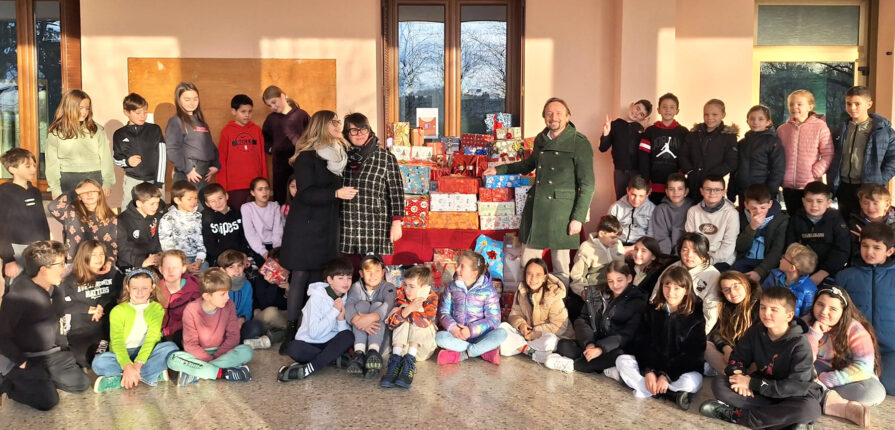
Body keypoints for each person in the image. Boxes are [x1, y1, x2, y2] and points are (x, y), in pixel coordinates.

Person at [483, 97, 595, 285]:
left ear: (568, 116)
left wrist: (578, 217)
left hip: (563, 212)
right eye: (549, 113)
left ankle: (559, 303)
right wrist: (499, 169)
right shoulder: (541, 139)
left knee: (560, 267)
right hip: (538, 209)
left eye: (559, 113)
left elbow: (588, 184)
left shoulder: (579, 142)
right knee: (528, 264)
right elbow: (528, 164)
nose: (554, 117)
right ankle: (527, 300)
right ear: (544, 117)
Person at [279, 110, 355, 352]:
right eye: (334, 122)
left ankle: (313, 330)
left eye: (339, 122)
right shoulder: (307, 157)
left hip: (326, 225)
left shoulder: (339, 154)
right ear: (322, 126)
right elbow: (305, 193)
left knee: (317, 281)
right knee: (300, 276)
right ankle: (291, 333)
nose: (338, 126)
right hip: (305, 226)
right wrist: (336, 193)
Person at [699, 287, 822, 429]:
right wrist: (739, 377)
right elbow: (737, 358)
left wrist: (753, 383)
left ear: (788, 316)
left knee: (809, 409)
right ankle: (783, 421)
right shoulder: (756, 331)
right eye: (763, 307)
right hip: (763, 391)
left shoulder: (800, 344)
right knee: (719, 384)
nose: (766, 313)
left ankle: (739, 416)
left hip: (792, 395)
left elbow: (795, 386)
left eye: (774, 310)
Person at [0, 241, 91, 410]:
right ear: (43, 270)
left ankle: (41, 378)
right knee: (48, 400)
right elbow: (2, 335)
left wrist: (87, 310)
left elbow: (61, 311)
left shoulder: (56, 289)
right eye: (60, 264)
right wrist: (21, 362)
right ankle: (8, 383)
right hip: (26, 357)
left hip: (52, 355)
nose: (65, 268)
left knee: (81, 383)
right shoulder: (17, 297)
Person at [613, 265, 705, 410]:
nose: (671, 292)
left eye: (677, 288)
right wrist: (649, 371)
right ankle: (669, 394)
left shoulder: (696, 316)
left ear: (686, 290)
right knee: (622, 361)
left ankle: (646, 389)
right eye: (667, 286)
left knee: (693, 381)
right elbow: (641, 343)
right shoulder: (652, 310)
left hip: (677, 371)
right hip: (653, 365)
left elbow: (693, 354)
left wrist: (666, 375)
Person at [805, 286, 885, 427]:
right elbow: (803, 362)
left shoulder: (854, 329)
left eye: (833, 309)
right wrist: (813, 334)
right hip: (815, 372)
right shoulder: (803, 322)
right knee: (794, 375)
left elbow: (864, 367)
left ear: (843, 312)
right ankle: (833, 403)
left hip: (844, 377)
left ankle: (816, 395)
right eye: (820, 304)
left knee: (874, 392)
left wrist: (827, 379)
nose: (824, 312)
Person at [91, 269, 179, 393]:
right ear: (127, 288)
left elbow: (152, 338)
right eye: (134, 288)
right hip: (122, 353)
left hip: (147, 352)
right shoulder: (118, 311)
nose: (139, 292)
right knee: (99, 362)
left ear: (152, 288)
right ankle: (150, 374)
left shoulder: (156, 308)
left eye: (144, 288)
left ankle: (119, 379)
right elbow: (117, 342)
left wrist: (137, 364)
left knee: (171, 348)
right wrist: (127, 366)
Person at [165, 268, 254, 386]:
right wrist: (207, 359)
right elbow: (190, 344)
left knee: (247, 351)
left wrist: (215, 358)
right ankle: (222, 373)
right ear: (207, 296)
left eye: (228, 293)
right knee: (172, 359)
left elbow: (233, 336)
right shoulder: (191, 310)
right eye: (223, 294)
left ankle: (198, 372)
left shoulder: (229, 305)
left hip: (223, 351)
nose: (228, 297)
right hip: (197, 355)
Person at [835, 221, 895, 394]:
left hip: (890, 349)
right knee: (860, 388)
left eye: (877, 248)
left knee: (889, 387)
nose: (869, 252)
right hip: (854, 348)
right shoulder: (845, 276)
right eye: (865, 246)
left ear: (890, 251)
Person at [557, 260, 646, 375]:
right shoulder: (596, 293)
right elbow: (582, 319)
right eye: (610, 281)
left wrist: (600, 349)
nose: (615, 285)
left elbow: (627, 333)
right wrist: (589, 344)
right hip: (594, 341)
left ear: (629, 278)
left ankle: (576, 365)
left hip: (614, 347)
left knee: (619, 355)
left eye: (619, 280)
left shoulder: (637, 300)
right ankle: (599, 366)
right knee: (563, 344)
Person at [277, 258, 355, 381]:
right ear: (330, 280)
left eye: (349, 278)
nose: (346, 282)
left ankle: (309, 368)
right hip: (311, 342)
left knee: (348, 336)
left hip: (331, 343)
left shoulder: (347, 298)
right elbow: (314, 333)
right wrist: (334, 311)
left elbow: (342, 334)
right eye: (340, 278)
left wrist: (341, 320)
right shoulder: (316, 298)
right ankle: (332, 359)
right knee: (293, 348)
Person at [339, 112, 405, 259]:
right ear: (346, 133)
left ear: (369, 130)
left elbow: (396, 192)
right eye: (354, 130)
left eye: (363, 129)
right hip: (345, 223)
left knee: (372, 268)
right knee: (345, 268)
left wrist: (396, 222)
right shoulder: (339, 156)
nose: (359, 134)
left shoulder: (385, 157)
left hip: (375, 224)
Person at [499, 258, 575, 373]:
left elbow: (559, 326)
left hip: (550, 336)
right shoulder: (522, 291)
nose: (533, 279)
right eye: (529, 274)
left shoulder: (553, 294)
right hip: (527, 336)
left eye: (538, 275)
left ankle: (524, 349)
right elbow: (514, 314)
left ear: (545, 277)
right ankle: (541, 355)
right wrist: (521, 325)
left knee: (550, 341)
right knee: (503, 328)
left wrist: (534, 333)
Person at [831, 85, 895, 220]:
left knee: (865, 224)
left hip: (868, 188)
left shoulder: (883, 131)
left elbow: (893, 158)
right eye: (849, 103)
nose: (852, 108)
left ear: (869, 104)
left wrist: (880, 180)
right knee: (845, 222)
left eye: (857, 104)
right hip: (843, 186)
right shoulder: (840, 129)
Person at [435, 250, 507, 365]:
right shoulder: (452, 287)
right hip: (457, 336)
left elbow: (494, 320)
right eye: (458, 265)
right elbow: (444, 312)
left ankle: (464, 354)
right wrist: (453, 328)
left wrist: (471, 330)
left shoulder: (489, 291)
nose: (457, 269)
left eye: (462, 266)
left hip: (481, 336)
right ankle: (483, 351)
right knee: (440, 337)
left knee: (502, 333)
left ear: (474, 273)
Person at [60, 240, 122, 368]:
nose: (99, 258)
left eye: (101, 254)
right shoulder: (71, 279)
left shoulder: (112, 273)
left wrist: (102, 305)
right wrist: (88, 309)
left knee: (110, 355)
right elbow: (61, 305)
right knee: (85, 359)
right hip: (81, 330)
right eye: (94, 255)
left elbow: (120, 292)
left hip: (108, 326)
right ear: (84, 256)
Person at [45, 89, 115, 199]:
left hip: (94, 178)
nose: (84, 112)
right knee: (71, 210)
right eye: (80, 108)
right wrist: (55, 189)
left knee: (92, 210)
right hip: (68, 180)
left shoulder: (97, 130)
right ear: (69, 107)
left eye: (87, 108)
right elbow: (52, 163)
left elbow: (106, 158)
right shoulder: (56, 133)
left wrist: (107, 182)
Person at [381, 265, 439, 389]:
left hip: (421, 350)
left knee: (413, 315)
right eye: (405, 285)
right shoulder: (402, 295)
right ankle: (395, 362)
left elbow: (425, 321)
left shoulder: (432, 297)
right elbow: (391, 324)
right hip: (402, 348)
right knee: (404, 316)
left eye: (412, 286)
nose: (407, 289)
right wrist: (406, 310)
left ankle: (409, 364)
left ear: (424, 287)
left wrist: (404, 310)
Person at [777, 89, 834, 216]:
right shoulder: (782, 129)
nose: (794, 107)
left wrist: (816, 171)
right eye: (791, 104)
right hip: (788, 186)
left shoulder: (820, 126)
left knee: (810, 219)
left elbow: (828, 153)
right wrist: (781, 175)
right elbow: (777, 156)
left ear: (810, 106)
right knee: (793, 218)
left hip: (810, 185)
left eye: (799, 104)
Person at [0, 148, 50, 289]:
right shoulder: (5, 192)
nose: (33, 169)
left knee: (39, 290)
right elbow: (2, 228)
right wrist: (9, 259)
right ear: (12, 169)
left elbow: (42, 222)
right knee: (17, 291)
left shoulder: (35, 191)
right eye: (28, 166)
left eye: (34, 165)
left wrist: (47, 246)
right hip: (17, 252)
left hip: (39, 250)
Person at [652, 233, 721, 334]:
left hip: (692, 327)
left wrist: (698, 335)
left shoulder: (713, 275)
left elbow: (711, 312)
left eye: (695, 251)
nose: (689, 255)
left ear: (705, 253)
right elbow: (655, 296)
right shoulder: (672, 268)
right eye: (685, 250)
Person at [785, 181, 850, 285]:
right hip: (799, 272)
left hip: (829, 273)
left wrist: (823, 273)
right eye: (809, 201)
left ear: (828, 203)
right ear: (803, 201)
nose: (814, 205)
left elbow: (842, 250)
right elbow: (790, 246)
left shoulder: (837, 220)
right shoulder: (796, 219)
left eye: (819, 201)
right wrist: (798, 272)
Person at [344, 254, 397, 378]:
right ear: (361, 273)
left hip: (381, 342)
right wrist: (356, 320)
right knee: (361, 305)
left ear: (383, 272)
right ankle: (359, 353)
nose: (373, 276)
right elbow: (349, 303)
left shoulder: (388, 287)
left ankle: (373, 352)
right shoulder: (356, 287)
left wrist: (370, 318)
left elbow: (388, 304)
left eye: (377, 271)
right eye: (368, 272)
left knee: (377, 305)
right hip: (358, 338)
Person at [112, 92, 166, 209]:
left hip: (154, 181)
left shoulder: (154, 130)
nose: (143, 116)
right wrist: (128, 162)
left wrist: (159, 183)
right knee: (129, 212)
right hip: (132, 181)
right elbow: (116, 159)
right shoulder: (119, 134)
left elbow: (162, 157)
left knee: (157, 212)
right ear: (126, 112)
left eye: (145, 112)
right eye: (138, 113)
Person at [165, 81, 219, 194]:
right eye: (187, 99)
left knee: (201, 204)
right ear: (178, 100)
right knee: (187, 204)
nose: (192, 103)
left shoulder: (201, 122)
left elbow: (210, 146)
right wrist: (188, 169)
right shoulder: (176, 121)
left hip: (203, 173)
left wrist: (215, 165)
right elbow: (172, 149)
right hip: (189, 173)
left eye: (195, 99)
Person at [679, 99, 739, 200]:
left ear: (723, 115)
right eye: (706, 114)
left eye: (714, 114)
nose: (710, 118)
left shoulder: (729, 137)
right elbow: (683, 155)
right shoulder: (694, 134)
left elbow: (731, 163)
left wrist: (711, 177)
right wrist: (689, 171)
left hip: (713, 186)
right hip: (692, 183)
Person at [48, 178, 118, 263]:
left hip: (100, 264)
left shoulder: (112, 218)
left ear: (99, 194)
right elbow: (53, 207)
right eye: (84, 191)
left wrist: (109, 263)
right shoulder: (71, 212)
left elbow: (113, 247)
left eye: (93, 190)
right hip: (76, 264)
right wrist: (77, 191)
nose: (89, 194)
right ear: (79, 196)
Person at [731, 183, 789, 283]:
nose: (759, 212)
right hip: (744, 260)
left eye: (763, 208)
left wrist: (759, 272)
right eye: (754, 208)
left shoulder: (781, 220)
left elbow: (776, 251)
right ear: (746, 205)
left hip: (768, 264)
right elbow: (740, 247)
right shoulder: (741, 217)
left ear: (770, 204)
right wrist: (751, 228)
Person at [261, 85, 310, 204]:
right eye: (269, 105)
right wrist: (271, 149)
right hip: (280, 165)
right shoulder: (271, 119)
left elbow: (312, 135)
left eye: (274, 102)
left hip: (300, 162)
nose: (273, 107)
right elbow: (265, 138)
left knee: (302, 194)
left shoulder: (301, 115)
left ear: (282, 96)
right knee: (281, 197)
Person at [638, 93, 690, 204]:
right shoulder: (650, 131)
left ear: (677, 111)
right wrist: (646, 180)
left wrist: (681, 177)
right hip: (654, 184)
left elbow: (686, 156)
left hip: (675, 187)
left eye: (672, 107)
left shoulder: (684, 132)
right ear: (658, 110)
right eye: (664, 107)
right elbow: (643, 157)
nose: (668, 110)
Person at [705, 271, 760, 375]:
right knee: (706, 345)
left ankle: (738, 375)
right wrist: (726, 348)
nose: (733, 293)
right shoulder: (725, 307)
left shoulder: (759, 305)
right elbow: (717, 333)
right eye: (726, 290)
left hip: (751, 355)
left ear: (745, 284)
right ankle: (732, 373)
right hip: (731, 355)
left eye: (736, 286)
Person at [218, 94, 267, 209]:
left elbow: (262, 158)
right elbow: (221, 159)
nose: (247, 115)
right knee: (238, 216)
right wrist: (222, 188)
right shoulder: (226, 131)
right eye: (243, 111)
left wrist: (264, 183)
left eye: (250, 111)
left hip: (256, 186)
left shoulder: (257, 130)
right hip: (234, 186)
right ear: (233, 111)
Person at [568, 215, 624, 311]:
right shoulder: (586, 248)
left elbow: (622, 270)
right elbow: (576, 276)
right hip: (595, 291)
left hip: (614, 289)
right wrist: (583, 291)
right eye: (613, 237)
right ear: (601, 234)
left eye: (617, 238)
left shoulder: (618, 245)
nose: (616, 241)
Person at [599, 99, 653, 199]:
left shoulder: (641, 130)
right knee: (620, 199)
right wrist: (606, 134)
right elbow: (603, 148)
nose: (637, 113)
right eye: (637, 108)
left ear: (643, 118)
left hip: (637, 172)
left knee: (636, 199)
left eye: (641, 114)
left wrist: (646, 133)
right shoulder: (615, 125)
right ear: (632, 105)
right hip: (620, 171)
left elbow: (645, 153)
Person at [685, 175, 739, 267]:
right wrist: (699, 259)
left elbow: (728, 245)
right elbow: (691, 241)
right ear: (701, 191)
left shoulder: (731, 213)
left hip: (722, 260)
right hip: (697, 257)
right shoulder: (693, 211)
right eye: (708, 189)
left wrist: (709, 261)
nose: (712, 193)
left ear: (724, 192)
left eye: (717, 190)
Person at [733, 105, 784, 203]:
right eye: (752, 119)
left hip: (763, 193)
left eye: (760, 119)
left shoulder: (773, 142)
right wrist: (732, 190)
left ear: (768, 122)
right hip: (744, 192)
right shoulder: (742, 143)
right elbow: (735, 169)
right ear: (747, 121)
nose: (755, 122)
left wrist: (771, 192)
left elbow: (778, 169)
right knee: (744, 213)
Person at [217, 250, 268, 348]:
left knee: (256, 327)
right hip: (222, 325)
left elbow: (247, 308)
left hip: (239, 324)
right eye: (231, 267)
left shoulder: (247, 285)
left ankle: (233, 342)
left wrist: (242, 319)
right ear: (222, 270)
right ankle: (240, 342)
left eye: (239, 266)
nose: (237, 270)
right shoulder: (218, 285)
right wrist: (231, 323)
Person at [201, 183, 258, 267]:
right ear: (207, 204)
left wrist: (242, 254)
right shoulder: (206, 218)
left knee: (254, 270)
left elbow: (243, 237)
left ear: (226, 196)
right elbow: (209, 244)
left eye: (220, 198)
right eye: (212, 201)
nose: (217, 203)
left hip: (240, 255)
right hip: (220, 259)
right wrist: (226, 260)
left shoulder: (238, 213)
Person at [157, 250, 201, 348]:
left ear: (183, 268)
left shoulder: (195, 291)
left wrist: (167, 332)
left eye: (175, 267)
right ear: (160, 269)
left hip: (183, 334)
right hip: (157, 334)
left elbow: (194, 320)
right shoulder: (154, 290)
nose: (171, 271)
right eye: (167, 267)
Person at [159, 180, 206, 273]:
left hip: (197, 259)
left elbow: (201, 241)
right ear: (177, 200)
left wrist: (199, 260)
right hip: (176, 260)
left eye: (195, 198)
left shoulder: (198, 217)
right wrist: (185, 265)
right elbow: (167, 247)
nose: (194, 202)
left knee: (206, 273)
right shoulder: (168, 218)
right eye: (189, 199)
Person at [116, 182, 163, 272]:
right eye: (152, 204)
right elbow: (122, 250)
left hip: (154, 261)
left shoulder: (158, 217)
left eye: (157, 203)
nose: (156, 207)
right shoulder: (122, 220)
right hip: (131, 263)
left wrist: (159, 256)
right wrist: (141, 262)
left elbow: (159, 241)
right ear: (139, 203)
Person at [762, 243, 818, 317]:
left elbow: (806, 315)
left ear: (792, 268)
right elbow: (762, 295)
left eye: (784, 257)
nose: (781, 259)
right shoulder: (773, 276)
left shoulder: (808, 290)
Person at [848, 183, 895, 265]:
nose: (870, 207)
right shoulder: (855, 223)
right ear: (860, 203)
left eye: (875, 203)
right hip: (862, 266)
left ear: (887, 204)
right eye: (866, 203)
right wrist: (862, 243)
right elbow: (852, 252)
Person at [650, 173, 693, 256]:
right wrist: (667, 257)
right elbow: (661, 237)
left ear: (686, 191)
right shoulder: (660, 210)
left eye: (680, 189)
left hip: (687, 253)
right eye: (671, 189)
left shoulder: (693, 208)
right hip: (667, 254)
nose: (675, 192)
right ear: (666, 192)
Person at [241, 177, 283, 260]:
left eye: (266, 188)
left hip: (275, 245)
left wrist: (276, 250)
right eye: (260, 189)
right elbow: (250, 233)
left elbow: (278, 230)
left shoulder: (275, 206)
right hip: (256, 246)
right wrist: (263, 252)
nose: (264, 192)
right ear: (253, 193)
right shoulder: (247, 208)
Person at [608, 175, 655, 245]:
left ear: (648, 194)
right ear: (627, 190)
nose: (636, 200)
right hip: (618, 244)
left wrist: (636, 247)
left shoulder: (653, 210)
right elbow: (608, 231)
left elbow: (651, 236)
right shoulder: (615, 207)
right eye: (633, 194)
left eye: (641, 196)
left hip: (642, 245)